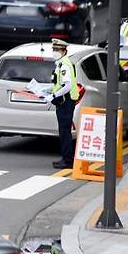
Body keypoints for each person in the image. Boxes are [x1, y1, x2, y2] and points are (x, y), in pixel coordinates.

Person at [44, 39, 80, 169]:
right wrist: (48, 91)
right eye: (54, 50)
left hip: (66, 101)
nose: (55, 52)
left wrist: (54, 95)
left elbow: (68, 86)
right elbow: (59, 84)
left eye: (57, 50)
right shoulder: (60, 64)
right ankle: (66, 158)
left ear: (64, 51)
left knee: (65, 131)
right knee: (64, 131)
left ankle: (68, 160)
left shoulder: (64, 65)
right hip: (64, 101)